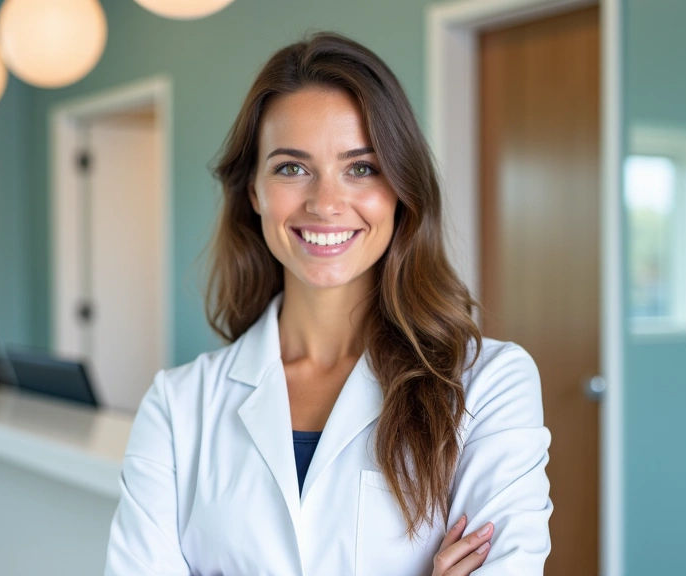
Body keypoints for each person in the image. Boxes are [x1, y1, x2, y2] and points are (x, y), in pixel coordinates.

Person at [104, 32, 552, 575]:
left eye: (361, 168)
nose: (325, 203)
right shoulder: (176, 407)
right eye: (292, 168)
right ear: (254, 191)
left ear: (401, 188)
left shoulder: (489, 385)